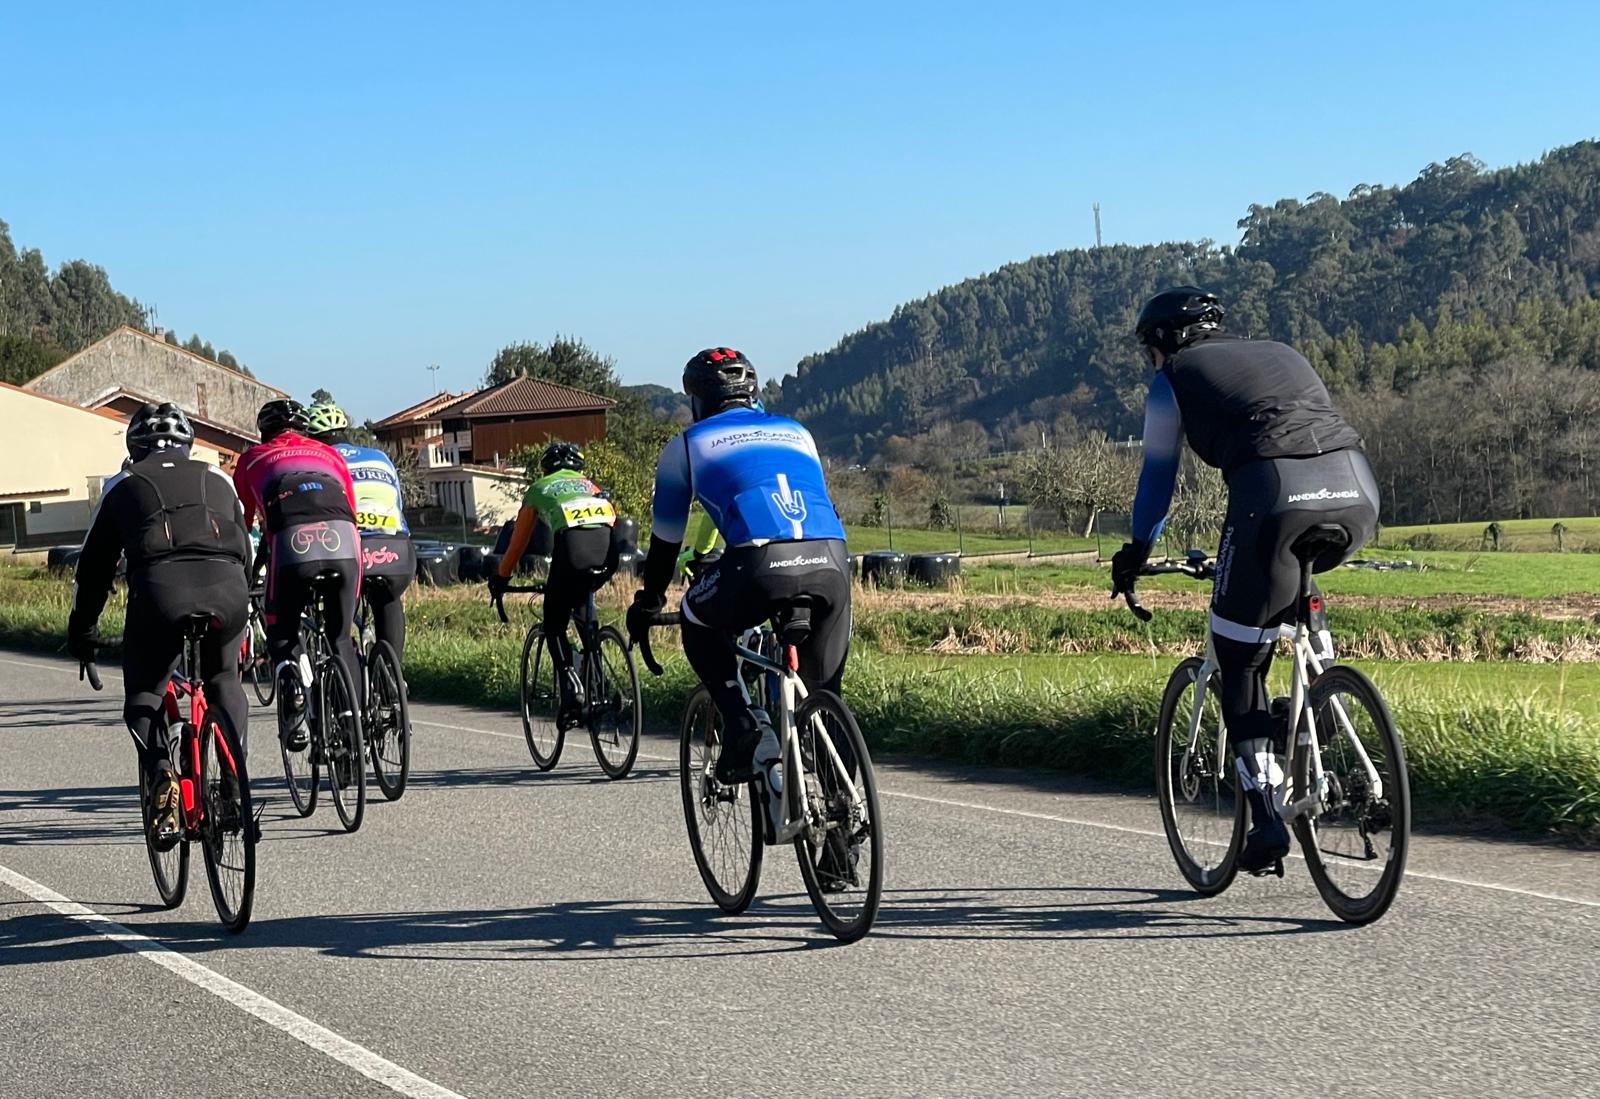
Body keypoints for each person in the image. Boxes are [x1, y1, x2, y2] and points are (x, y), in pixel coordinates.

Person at [1111, 287, 1378, 874]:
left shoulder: (1174, 377)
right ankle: (1319, 703)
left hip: (1274, 494)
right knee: (1296, 580)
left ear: (1162, 341)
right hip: (1357, 489)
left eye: (1147, 351)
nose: (1150, 363)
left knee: (1241, 659)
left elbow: (1158, 479)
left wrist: (1135, 553)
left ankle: (1264, 817)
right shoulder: (1281, 351)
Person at [627, 347, 851, 787]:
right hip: (832, 558)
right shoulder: (797, 432)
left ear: (698, 401)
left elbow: (666, 542)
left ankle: (742, 723)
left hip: (760, 561)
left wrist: (650, 602)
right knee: (824, 696)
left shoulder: (688, 446)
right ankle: (842, 826)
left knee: (696, 614)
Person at [67, 402, 252, 842]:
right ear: (188, 445)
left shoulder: (122, 483)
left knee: (145, 692)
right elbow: (244, 547)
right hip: (228, 588)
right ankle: (232, 781)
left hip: (161, 591)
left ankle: (160, 771)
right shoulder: (219, 477)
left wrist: (84, 633)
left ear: (134, 448)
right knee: (224, 678)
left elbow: (92, 569)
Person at [233, 398, 362, 749]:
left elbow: (241, 526)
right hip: (345, 540)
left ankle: (291, 691)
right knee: (340, 637)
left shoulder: (251, 459)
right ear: (304, 430)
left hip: (291, 542)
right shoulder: (330, 454)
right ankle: (353, 724)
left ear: (264, 433)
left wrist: (243, 575)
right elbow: (352, 509)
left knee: (282, 630)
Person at [488, 441, 617, 727]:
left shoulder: (539, 489)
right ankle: (600, 678)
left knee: (554, 622)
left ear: (546, 468)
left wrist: (502, 576)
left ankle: (572, 689)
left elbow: (518, 542)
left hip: (573, 549)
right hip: (610, 550)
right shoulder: (590, 486)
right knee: (583, 605)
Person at [306, 400, 415, 662]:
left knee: (338, 603)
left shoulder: (318, 461)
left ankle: (345, 679)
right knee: (388, 598)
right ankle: (392, 675)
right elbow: (397, 503)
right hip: (397, 547)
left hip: (351, 550)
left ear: (311, 438)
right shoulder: (380, 457)